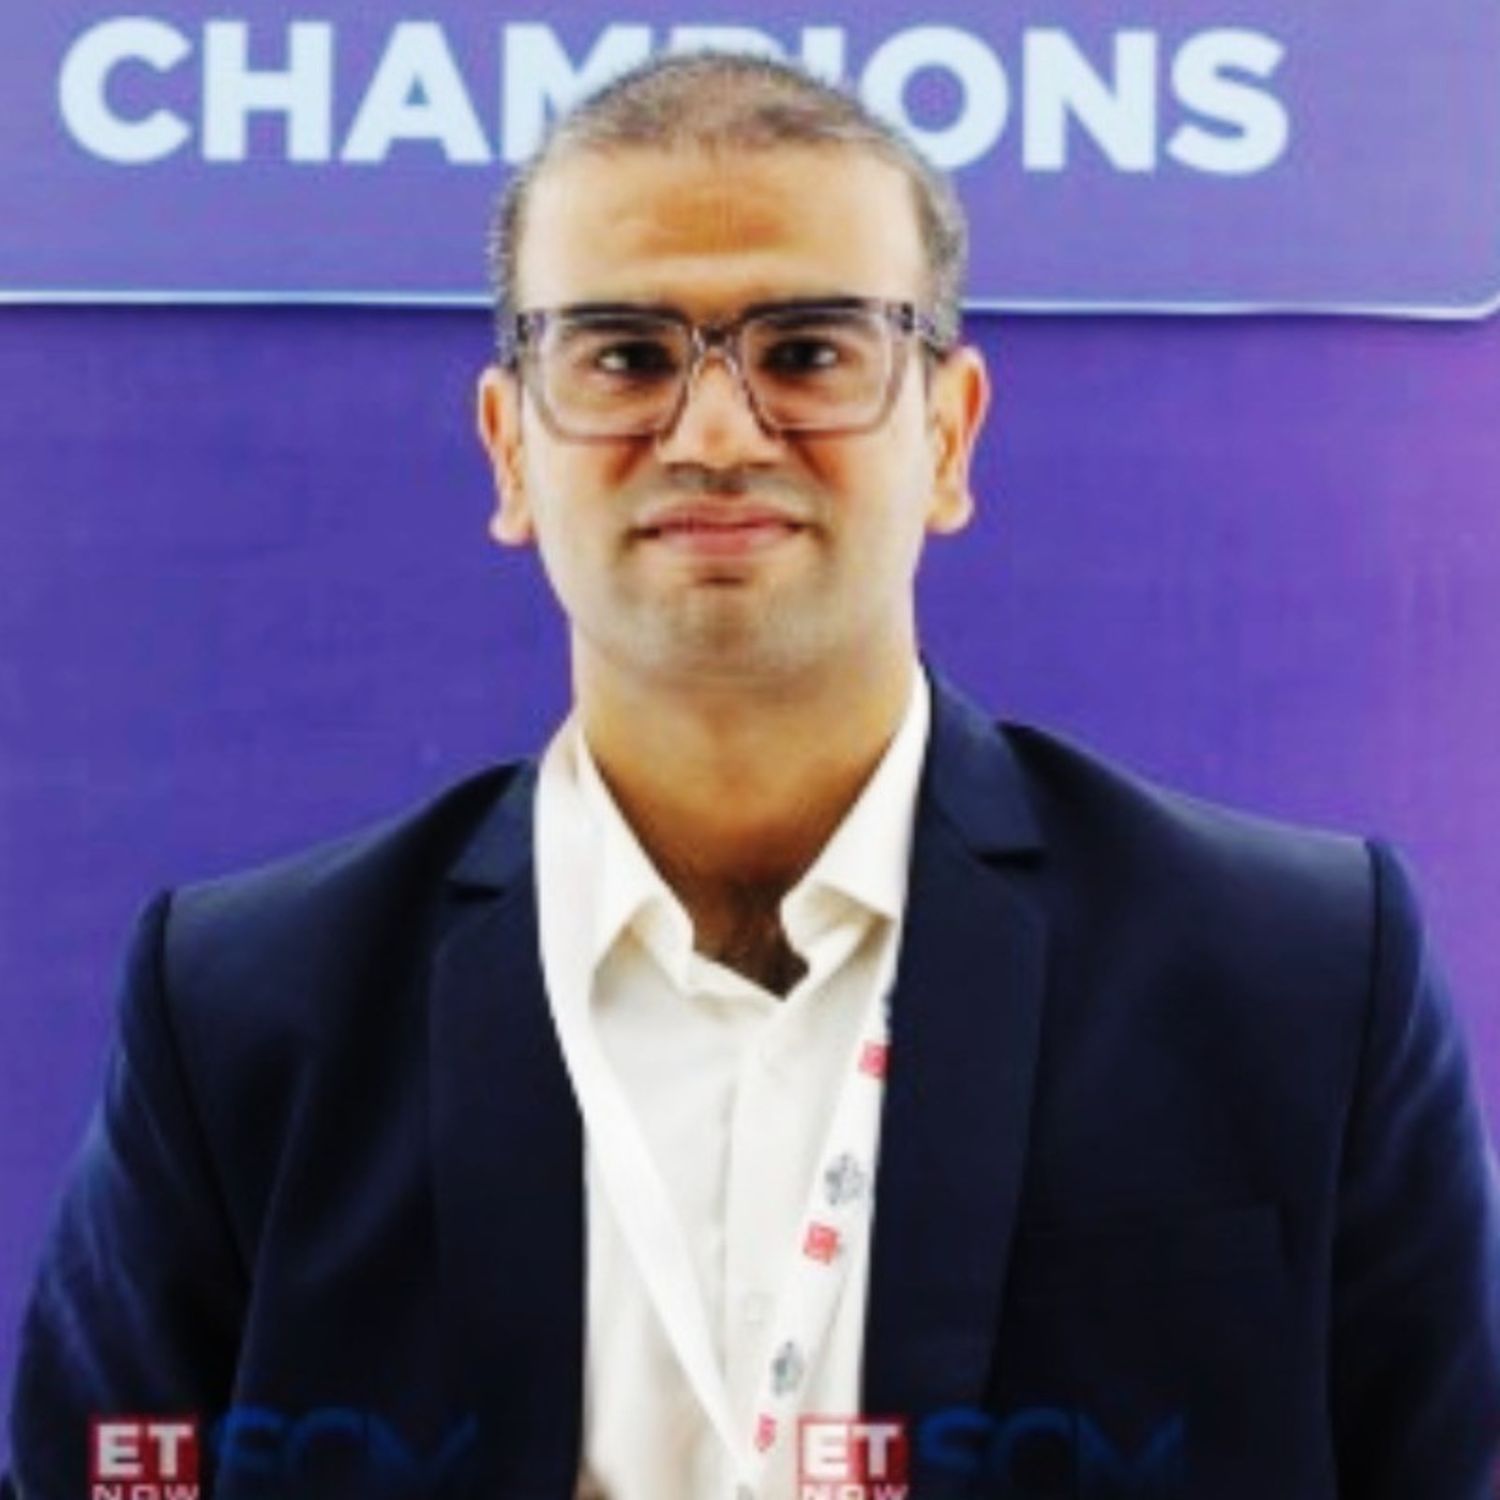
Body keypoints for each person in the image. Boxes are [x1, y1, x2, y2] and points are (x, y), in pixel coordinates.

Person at [4, 50, 1498, 1500]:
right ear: (510, 449)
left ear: (951, 433)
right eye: (625, 356)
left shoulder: (1295, 976)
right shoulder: (251, 1011)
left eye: (808, 352)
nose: (716, 433)